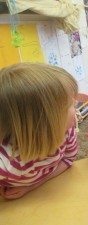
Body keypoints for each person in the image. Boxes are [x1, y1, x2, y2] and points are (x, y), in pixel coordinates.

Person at [0, 63, 78, 199]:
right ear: (46, 123)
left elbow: (68, 159)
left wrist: (30, 186)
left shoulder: (66, 131)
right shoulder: (6, 164)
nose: (76, 103)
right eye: (69, 104)